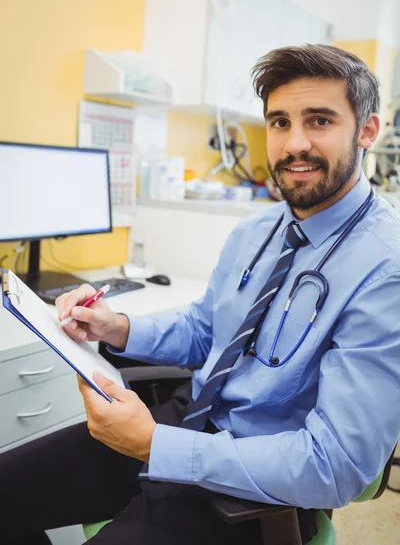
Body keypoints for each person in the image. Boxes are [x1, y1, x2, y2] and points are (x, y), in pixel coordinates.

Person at [2, 44, 400, 545]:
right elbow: (205, 330)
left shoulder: (387, 271)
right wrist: (115, 326)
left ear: (367, 130)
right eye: (279, 122)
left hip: (254, 489)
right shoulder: (257, 231)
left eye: (319, 120)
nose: (294, 143)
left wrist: (154, 445)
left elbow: (334, 466)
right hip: (186, 421)